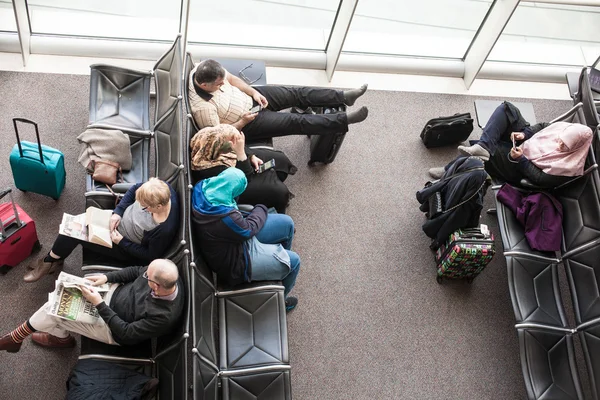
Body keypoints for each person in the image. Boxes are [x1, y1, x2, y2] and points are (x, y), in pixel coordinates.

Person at [0, 259, 184, 352]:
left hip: (113, 328)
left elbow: (126, 332)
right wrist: (108, 277)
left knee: (52, 312)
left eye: (147, 278)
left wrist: (99, 304)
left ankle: (15, 338)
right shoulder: (166, 273)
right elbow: (136, 271)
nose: (144, 276)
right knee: (64, 294)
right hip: (113, 294)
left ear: (156, 286)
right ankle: (61, 339)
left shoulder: (163, 316)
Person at [24, 178, 180, 283]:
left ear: (159, 207)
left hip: (122, 245)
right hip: (113, 221)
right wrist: (118, 212)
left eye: (145, 207)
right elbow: (133, 190)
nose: (141, 207)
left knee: (72, 233)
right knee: (73, 225)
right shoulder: (160, 189)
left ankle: (49, 262)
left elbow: (149, 256)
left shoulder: (163, 229)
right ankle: (52, 260)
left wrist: (122, 241)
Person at [191, 167, 300, 312]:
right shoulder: (227, 218)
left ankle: (275, 268)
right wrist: (261, 207)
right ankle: (280, 303)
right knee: (294, 262)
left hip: (232, 238)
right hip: (237, 261)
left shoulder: (203, 186)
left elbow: (242, 226)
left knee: (288, 224)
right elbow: (249, 228)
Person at [188, 59, 369, 141]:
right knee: (296, 122)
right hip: (248, 122)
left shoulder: (203, 67)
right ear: (204, 85)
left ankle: (343, 97)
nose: (222, 85)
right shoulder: (203, 109)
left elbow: (233, 79)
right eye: (219, 85)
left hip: (251, 98)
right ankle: (343, 121)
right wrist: (242, 121)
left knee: (295, 93)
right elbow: (218, 135)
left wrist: (253, 92)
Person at [429, 102, 593, 188]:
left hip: (523, 166)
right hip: (528, 142)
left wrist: (521, 159)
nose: (558, 143)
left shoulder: (568, 168)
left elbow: (539, 178)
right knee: (507, 109)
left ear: (575, 148)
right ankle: (484, 146)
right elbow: (543, 126)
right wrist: (525, 134)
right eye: (560, 139)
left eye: (564, 145)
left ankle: (449, 171)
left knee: (487, 156)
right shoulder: (565, 130)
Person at [190, 124, 297, 213]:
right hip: (237, 186)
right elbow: (244, 178)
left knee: (279, 159)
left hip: (237, 164)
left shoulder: (211, 140)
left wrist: (251, 156)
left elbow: (233, 141)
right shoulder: (206, 169)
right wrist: (241, 154)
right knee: (277, 191)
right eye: (229, 147)